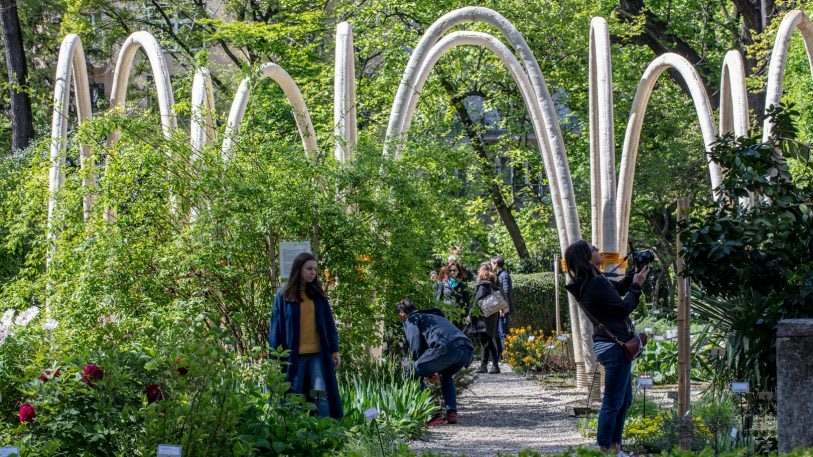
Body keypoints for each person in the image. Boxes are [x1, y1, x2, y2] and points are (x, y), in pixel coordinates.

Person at [563, 240, 649, 456]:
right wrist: (637, 286)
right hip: (613, 346)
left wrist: (634, 274)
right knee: (613, 400)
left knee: (624, 399)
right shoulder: (593, 284)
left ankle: (615, 447)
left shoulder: (592, 280)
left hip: (610, 345)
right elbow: (622, 309)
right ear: (587, 257)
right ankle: (606, 448)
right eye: (594, 249)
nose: (599, 251)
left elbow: (618, 289)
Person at [269, 252, 343, 419]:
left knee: (320, 394)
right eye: (309, 268)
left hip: (318, 355)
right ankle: (296, 435)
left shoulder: (318, 296)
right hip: (293, 356)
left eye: (315, 269)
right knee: (294, 395)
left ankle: (326, 433)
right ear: (298, 269)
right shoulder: (283, 296)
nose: (313, 272)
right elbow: (276, 329)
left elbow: (329, 325)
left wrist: (335, 351)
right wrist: (274, 359)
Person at [397, 299, 474, 426]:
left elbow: (415, 347)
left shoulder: (412, 319)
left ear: (402, 314)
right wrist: (431, 369)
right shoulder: (433, 316)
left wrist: (423, 368)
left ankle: (432, 415)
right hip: (466, 349)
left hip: (447, 348)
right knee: (446, 375)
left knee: (411, 373)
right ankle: (451, 412)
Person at [471, 262, 501, 374]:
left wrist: (470, 315)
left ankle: (493, 366)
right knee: (488, 340)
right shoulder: (493, 284)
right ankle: (485, 365)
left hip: (483, 317)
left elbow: (476, 302)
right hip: (492, 315)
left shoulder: (482, 286)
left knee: (486, 341)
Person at [490, 255, 513, 357]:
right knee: (499, 332)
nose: (491, 266)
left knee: (503, 332)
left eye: (491, 263)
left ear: (496, 264)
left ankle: (505, 355)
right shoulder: (498, 275)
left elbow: (506, 292)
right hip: (500, 308)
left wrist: (501, 308)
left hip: (503, 309)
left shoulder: (504, 276)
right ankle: (500, 355)